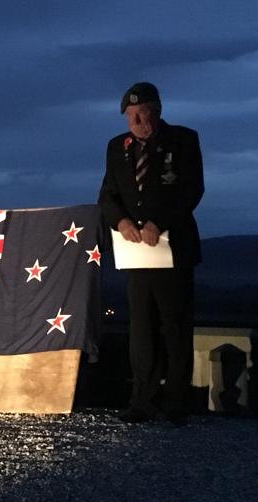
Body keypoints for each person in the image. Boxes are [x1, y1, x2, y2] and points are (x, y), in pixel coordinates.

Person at [98, 82, 204, 425]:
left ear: (157, 111)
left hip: (173, 249)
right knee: (141, 327)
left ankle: (176, 401)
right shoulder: (117, 148)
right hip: (136, 254)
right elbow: (107, 195)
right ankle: (142, 400)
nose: (137, 120)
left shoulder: (183, 140)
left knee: (174, 324)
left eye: (143, 113)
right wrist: (122, 221)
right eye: (131, 115)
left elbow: (192, 189)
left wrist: (159, 221)